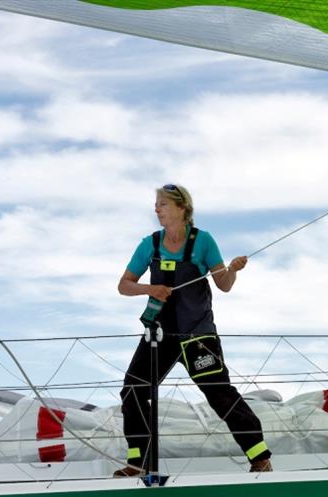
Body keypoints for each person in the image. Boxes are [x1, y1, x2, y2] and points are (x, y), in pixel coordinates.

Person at [114, 184, 272, 476]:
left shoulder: (204, 241)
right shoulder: (150, 244)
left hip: (197, 334)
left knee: (219, 393)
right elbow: (124, 285)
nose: (157, 209)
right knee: (132, 391)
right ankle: (139, 462)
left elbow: (223, 284)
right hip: (158, 335)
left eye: (162, 204)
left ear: (181, 208)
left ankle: (259, 457)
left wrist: (233, 270)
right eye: (157, 204)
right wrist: (149, 288)